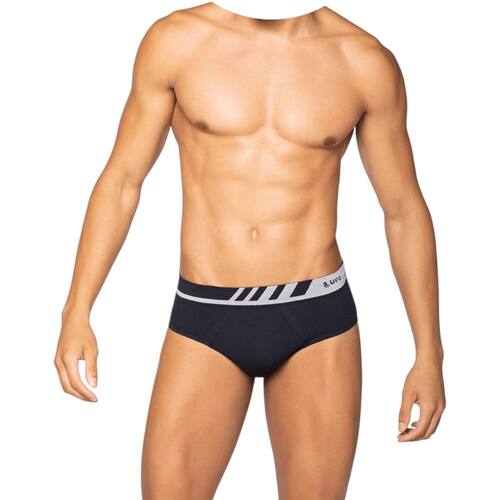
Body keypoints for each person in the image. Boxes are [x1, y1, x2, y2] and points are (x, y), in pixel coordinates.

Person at [54, 3, 446, 499]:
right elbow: (122, 180)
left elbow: (403, 210)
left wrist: (429, 353)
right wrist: (77, 309)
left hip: (315, 315)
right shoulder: (177, 41)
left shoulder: (362, 59)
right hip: (207, 311)